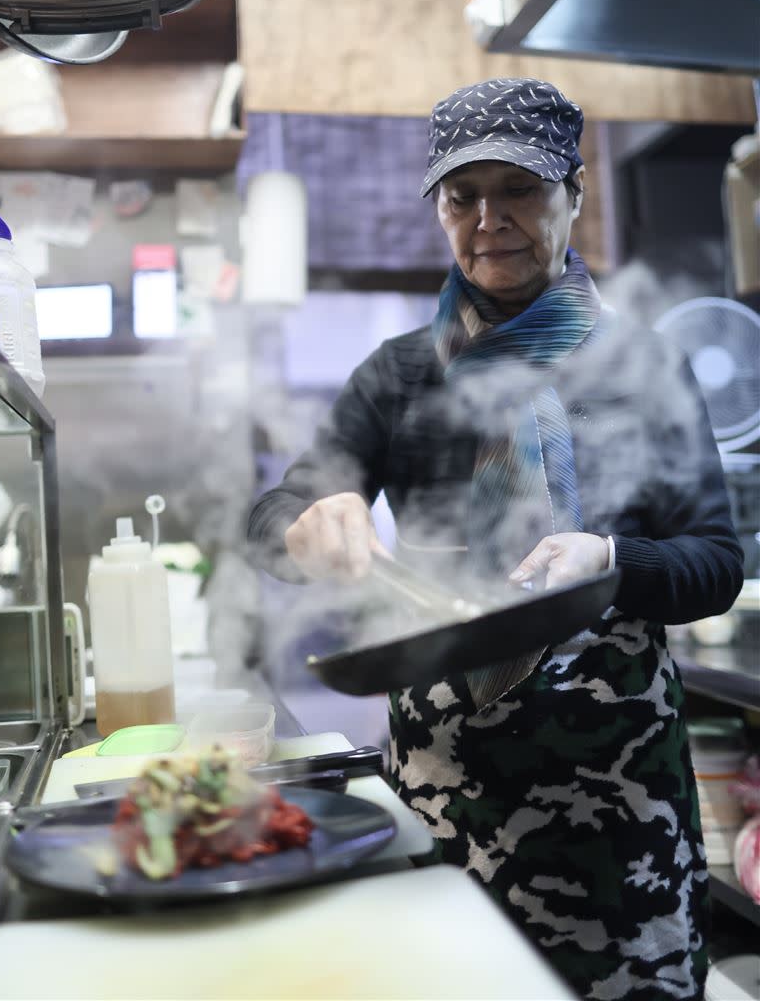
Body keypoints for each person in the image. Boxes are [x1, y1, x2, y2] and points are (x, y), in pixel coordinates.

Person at [247, 77, 743, 1001]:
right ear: (438, 209)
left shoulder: (646, 363)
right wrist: (314, 524)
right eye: (461, 195)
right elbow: (274, 517)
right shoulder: (396, 375)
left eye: (518, 188)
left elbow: (715, 565)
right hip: (445, 791)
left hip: (618, 794)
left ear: (575, 195)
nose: (490, 218)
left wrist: (609, 558)